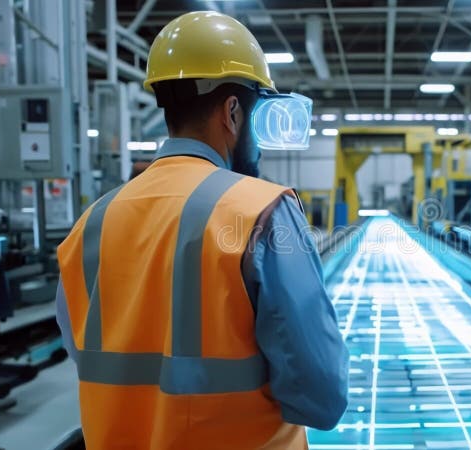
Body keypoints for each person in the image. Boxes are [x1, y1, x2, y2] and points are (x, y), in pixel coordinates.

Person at [55, 11, 348, 449]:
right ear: (232, 112)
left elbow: (89, 356)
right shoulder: (262, 212)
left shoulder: (91, 223)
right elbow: (321, 397)